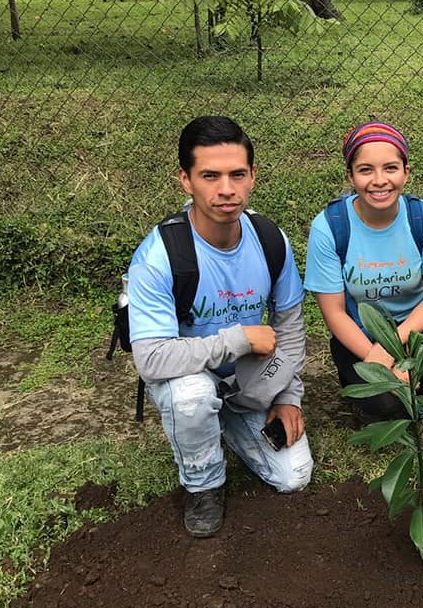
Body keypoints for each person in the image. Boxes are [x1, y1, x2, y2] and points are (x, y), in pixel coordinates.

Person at [128, 116, 313, 538]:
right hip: (188, 375)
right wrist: (240, 338)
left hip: (250, 380)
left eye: (237, 174)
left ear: (252, 177)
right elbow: (152, 358)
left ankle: (229, 419)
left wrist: (288, 396)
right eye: (209, 175)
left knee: (294, 475)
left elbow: (290, 324)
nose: (225, 189)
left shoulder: (269, 238)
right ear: (185, 180)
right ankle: (203, 483)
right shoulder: (160, 256)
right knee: (192, 396)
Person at [304, 122, 423, 447]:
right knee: (382, 404)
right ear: (350, 176)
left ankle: (422, 403)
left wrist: (394, 352)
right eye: (365, 170)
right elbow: (334, 313)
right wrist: (376, 357)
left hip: (413, 330)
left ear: (406, 171)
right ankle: (379, 400)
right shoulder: (330, 227)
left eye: (390, 168)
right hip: (360, 337)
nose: (379, 181)